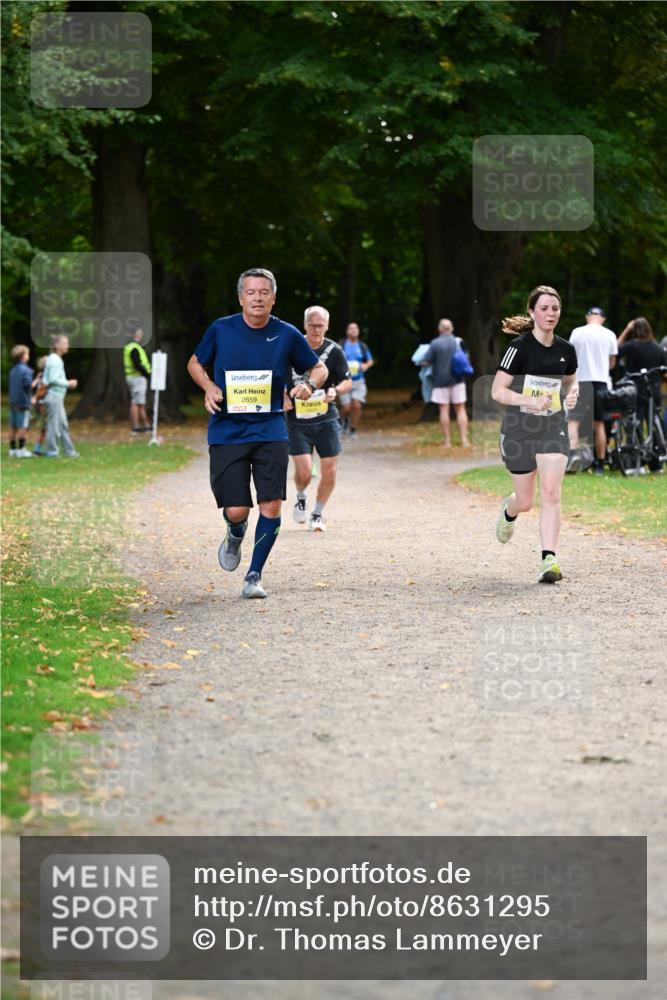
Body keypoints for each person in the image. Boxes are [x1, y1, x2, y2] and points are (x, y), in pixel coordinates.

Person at [186, 268, 328, 599]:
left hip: (270, 429)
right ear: (240, 298)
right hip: (227, 430)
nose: (257, 298)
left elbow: (319, 368)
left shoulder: (287, 333)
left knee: (271, 504)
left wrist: (308, 385)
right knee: (237, 510)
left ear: (273, 298)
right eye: (251, 292)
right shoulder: (221, 329)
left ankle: (254, 575)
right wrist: (208, 386)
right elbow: (194, 363)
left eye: (264, 292)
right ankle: (235, 531)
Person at [491, 285, 578, 584]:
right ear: (532, 312)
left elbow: (571, 380)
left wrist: (573, 393)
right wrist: (529, 400)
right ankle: (509, 510)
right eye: (544, 308)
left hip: (553, 427)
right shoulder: (519, 348)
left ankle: (548, 559)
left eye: (555, 308)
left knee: (551, 492)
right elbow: (497, 391)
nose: (551, 313)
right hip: (519, 430)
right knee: (526, 501)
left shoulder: (566, 350)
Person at [285, 306, 352, 532]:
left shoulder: (334, 350)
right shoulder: (292, 348)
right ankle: (301, 495)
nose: (316, 329)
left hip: (326, 418)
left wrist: (336, 390)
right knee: (304, 471)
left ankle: (317, 514)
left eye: (320, 325)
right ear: (304, 325)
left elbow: (347, 380)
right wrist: (283, 395)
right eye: (312, 325)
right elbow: (275, 374)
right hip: (297, 420)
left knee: (330, 470)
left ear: (327, 326)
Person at [567, 306, 617, 475]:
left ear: (587, 316)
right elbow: (612, 364)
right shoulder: (610, 334)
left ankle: (573, 457)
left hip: (581, 381)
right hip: (601, 382)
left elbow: (571, 358)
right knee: (599, 423)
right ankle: (600, 464)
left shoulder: (577, 332)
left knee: (573, 421)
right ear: (603, 318)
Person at [422, 318, 469, 447]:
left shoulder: (434, 343)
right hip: (458, 380)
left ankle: (447, 441)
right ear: (451, 328)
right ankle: (464, 440)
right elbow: (466, 358)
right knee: (461, 409)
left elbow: (426, 361)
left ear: (440, 329)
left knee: (444, 410)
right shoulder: (458, 341)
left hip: (440, 381)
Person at [617, 317, 665, 429]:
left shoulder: (631, 346)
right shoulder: (658, 348)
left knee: (637, 419)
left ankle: (637, 438)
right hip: (654, 388)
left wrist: (627, 330)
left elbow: (615, 350)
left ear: (635, 330)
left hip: (636, 389)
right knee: (654, 420)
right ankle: (657, 439)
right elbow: (663, 371)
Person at [42, 335, 79, 459]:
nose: (67, 346)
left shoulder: (56, 359)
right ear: (56, 345)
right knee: (54, 425)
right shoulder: (54, 359)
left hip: (57, 396)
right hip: (54, 396)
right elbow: (53, 379)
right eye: (64, 343)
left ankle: (70, 451)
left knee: (63, 425)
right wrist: (69, 383)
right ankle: (52, 452)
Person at [338, 322, 374, 440]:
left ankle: (353, 429)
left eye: (356, 328)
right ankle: (343, 422)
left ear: (358, 331)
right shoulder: (341, 345)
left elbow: (370, 361)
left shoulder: (362, 346)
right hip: (344, 380)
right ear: (347, 331)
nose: (354, 330)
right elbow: (334, 359)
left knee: (357, 405)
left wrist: (366, 366)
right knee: (346, 407)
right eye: (351, 328)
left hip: (359, 381)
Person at [123, 328, 152, 434]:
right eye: (139, 333)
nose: (141, 335)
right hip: (137, 378)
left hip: (132, 377)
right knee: (137, 402)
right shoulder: (134, 348)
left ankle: (143, 425)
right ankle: (138, 426)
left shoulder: (129, 347)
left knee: (138, 402)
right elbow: (137, 364)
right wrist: (147, 374)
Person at [8, 345, 34, 458]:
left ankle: (12, 449)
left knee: (13, 426)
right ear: (23, 356)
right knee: (23, 426)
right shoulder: (27, 370)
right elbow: (28, 386)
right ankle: (22, 449)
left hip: (13, 402)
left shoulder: (12, 371)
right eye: (27, 354)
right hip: (23, 403)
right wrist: (35, 381)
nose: (28, 356)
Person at [31, 356, 48, 456]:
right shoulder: (46, 376)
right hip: (43, 404)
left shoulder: (40, 375)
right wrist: (36, 397)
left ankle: (37, 448)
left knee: (44, 428)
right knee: (46, 427)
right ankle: (45, 449)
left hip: (39, 404)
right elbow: (43, 389)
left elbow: (33, 385)